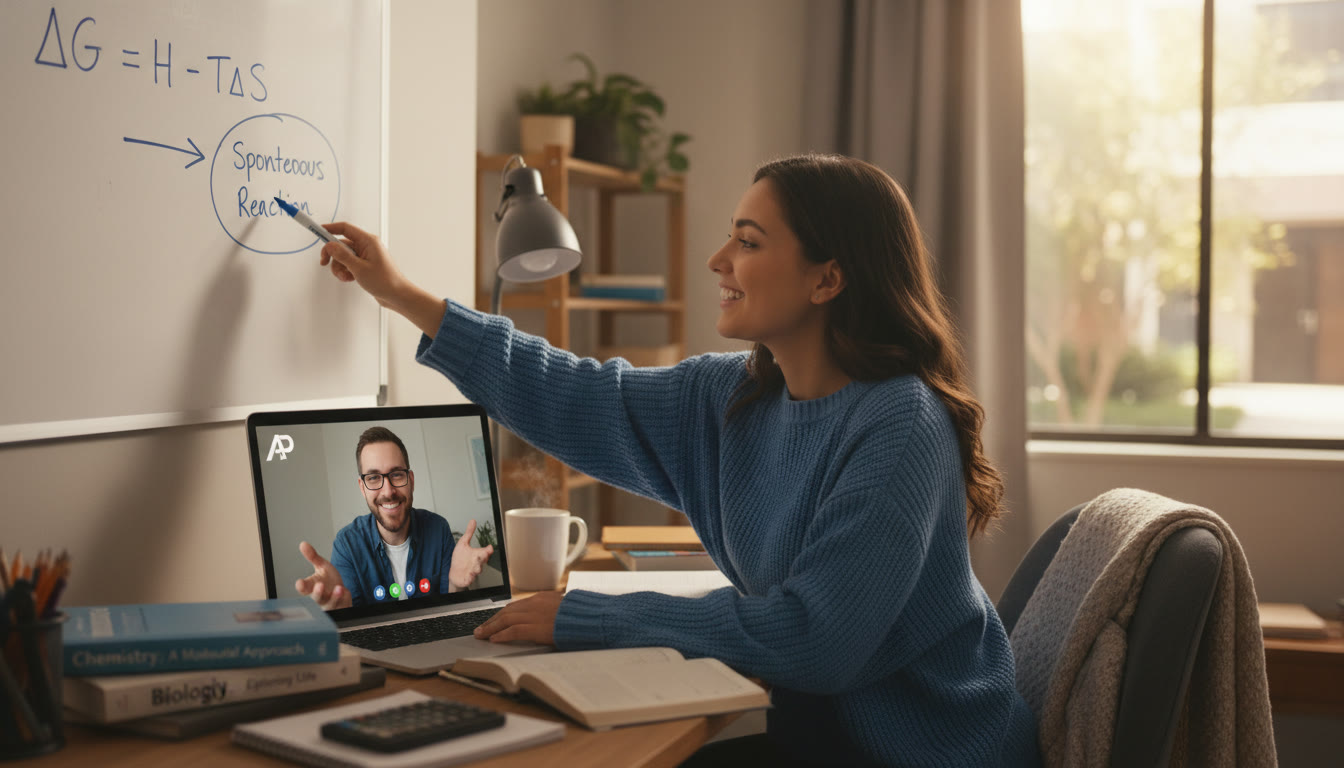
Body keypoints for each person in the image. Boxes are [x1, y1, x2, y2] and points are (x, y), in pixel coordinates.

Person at [313, 154, 1040, 766]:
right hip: (817, 729)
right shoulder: (733, 395)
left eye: (749, 243)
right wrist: (403, 296)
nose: (718, 260)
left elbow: (815, 640)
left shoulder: (898, 425)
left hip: (926, 751)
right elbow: (570, 393)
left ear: (828, 280)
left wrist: (586, 619)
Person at [295, 426, 495, 609]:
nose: (388, 491)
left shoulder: (438, 528)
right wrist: (340, 610)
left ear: (411, 480)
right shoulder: (347, 544)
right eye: (373, 478)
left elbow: (450, 612)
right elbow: (352, 623)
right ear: (362, 488)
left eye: (397, 474)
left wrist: (455, 585)